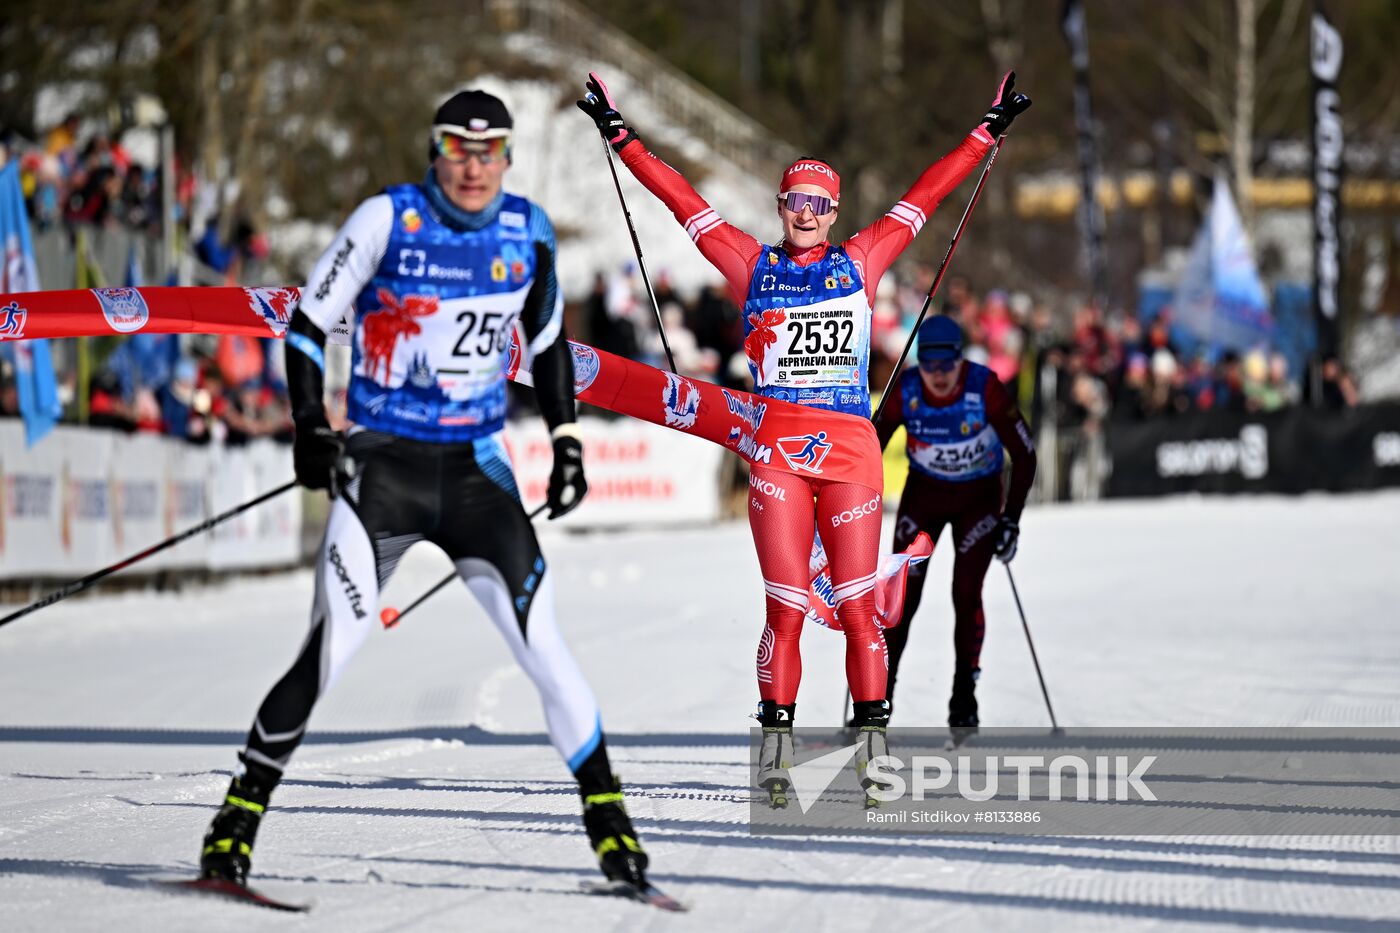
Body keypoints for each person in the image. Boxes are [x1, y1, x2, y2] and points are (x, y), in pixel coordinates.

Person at [197, 90, 653, 892]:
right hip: (385, 472)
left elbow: (547, 345)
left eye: (489, 151)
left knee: (543, 648)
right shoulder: (389, 220)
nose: (473, 167)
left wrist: (567, 441)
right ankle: (236, 822)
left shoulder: (529, 232)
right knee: (332, 648)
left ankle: (612, 831)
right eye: (457, 148)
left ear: (508, 157)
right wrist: (310, 424)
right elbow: (308, 323)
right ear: (435, 150)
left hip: (478, 475)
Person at [577, 71, 1031, 794]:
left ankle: (874, 752)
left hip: (852, 456)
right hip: (778, 458)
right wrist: (620, 135)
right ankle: (778, 758)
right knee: (783, 609)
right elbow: (681, 199)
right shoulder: (749, 263)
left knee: (859, 609)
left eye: (820, 203)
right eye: (796, 201)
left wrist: (987, 131)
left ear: (835, 209)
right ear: (782, 204)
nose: (808, 214)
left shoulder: (862, 258)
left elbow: (929, 192)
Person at [875, 315, 1036, 738]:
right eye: (931, 366)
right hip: (923, 499)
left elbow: (1025, 453)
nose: (940, 376)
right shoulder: (906, 389)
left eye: (948, 365)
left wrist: (1011, 521)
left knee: (965, 592)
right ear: (919, 364)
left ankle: (964, 695)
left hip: (977, 500)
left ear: (961, 360)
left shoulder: (984, 387)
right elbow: (869, 449)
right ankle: (877, 699)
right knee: (900, 600)